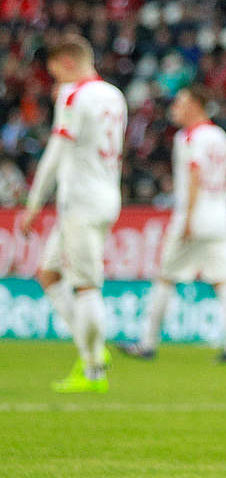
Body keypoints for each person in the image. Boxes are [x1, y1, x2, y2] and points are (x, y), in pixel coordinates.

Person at [18, 34, 127, 393]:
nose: (55, 82)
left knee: (85, 286)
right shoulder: (115, 95)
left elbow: (56, 152)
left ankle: (94, 368)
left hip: (81, 200)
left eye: (54, 73)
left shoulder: (73, 95)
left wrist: (34, 203)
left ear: (66, 63)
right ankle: (93, 350)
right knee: (48, 274)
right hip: (107, 194)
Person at [118, 85, 226, 363]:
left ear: (195, 106)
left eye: (180, 103)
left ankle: (147, 342)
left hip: (194, 216)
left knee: (165, 277)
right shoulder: (221, 137)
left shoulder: (189, 138)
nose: (175, 108)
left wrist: (188, 219)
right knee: (223, 281)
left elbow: (195, 175)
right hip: (220, 217)